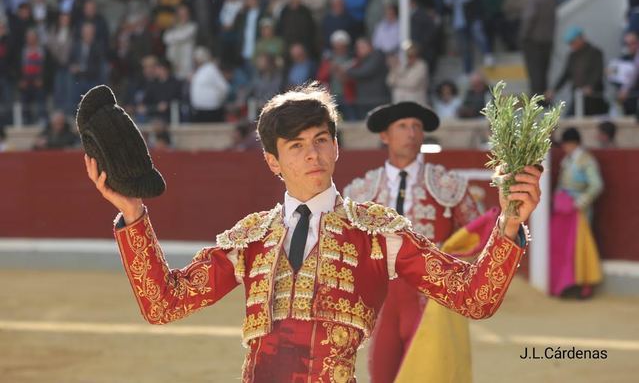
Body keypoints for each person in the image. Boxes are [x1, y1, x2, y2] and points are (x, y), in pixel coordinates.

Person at [84, 84, 541, 382]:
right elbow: (165, 304)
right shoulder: (251, 239)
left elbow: (473, 297)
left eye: (321, 139)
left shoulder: (379, 233)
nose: (313, 155)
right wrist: (133, 214)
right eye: (296, 146)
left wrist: (509, 224)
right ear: (272, 161)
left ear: (336, 145)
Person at [343, 101, 494, 383]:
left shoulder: (448, 185)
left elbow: (477, 237)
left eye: (416, 127)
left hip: (430, 298)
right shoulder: (361, 191)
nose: (411, 133)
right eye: (402, 126)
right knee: (382, 374)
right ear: (385, 136)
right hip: (381, 301)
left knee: (429, 373)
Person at [550, 127, 603, 299]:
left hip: (580, 212)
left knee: (581, 247)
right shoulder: (568, 160)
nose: (564, 147)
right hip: (565, 210)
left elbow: (596, 185)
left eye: (565, 144)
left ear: (572, 144)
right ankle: (567, 284)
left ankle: (585, 285)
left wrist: (581, 202)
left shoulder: (586, 161)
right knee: (566, 248)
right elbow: (561, 185)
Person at [547, 26, 607, 115]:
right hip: (577, 96)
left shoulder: (595, 53)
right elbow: (565, 75)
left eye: (573, 42)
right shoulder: (572, 56)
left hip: (593, 97)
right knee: (572, 117)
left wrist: (591, 86)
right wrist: (554, 90)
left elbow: (598, 72)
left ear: (581, 39)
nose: (571, 45)